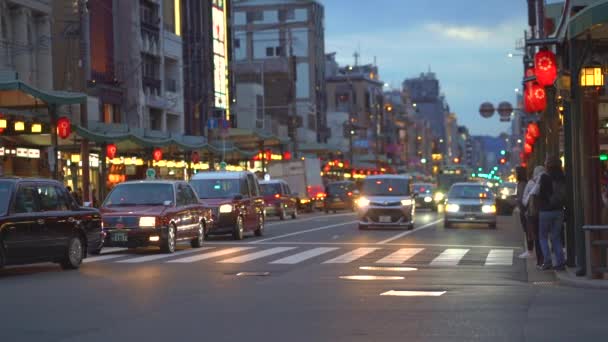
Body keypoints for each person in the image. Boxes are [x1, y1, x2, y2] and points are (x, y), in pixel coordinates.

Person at [537, 156, 567, 271]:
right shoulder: (562, 177)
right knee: (556, 237)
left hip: (545, 210)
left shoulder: (544, 177)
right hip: (559, 210)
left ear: (548, 165)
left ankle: (547, 261)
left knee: (543, 237)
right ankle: (560, 262)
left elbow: (538, 192)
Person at [523, 165, 545, 266]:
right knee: (546, 236)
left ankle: (541, 260)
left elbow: (524, 200)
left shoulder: (531, 183)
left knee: (537, 236)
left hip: (534, 214)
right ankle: (545, 258)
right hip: (545, 212)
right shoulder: (547, 181)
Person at [515, 166, 531, 259]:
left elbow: (522, 198)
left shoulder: (523, 184)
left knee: (528, 231)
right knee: (527, 230)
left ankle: (530, 250)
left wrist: (517, 202)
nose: (515, 174)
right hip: (523, 209)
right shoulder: (521, 183)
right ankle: (529, 250)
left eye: (516, 173)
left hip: (525, 210)